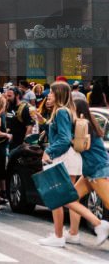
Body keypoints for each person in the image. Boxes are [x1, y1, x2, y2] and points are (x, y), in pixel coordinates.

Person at [38, 82, 109, 248]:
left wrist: (50, 151)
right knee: (70, 197)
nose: (48, 95)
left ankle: (99, 225)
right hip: (90, 170)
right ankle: (78, 232)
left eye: (52, 93)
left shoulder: (81, 124)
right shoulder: (82, 124)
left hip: (97, 170)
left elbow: (66, 140)